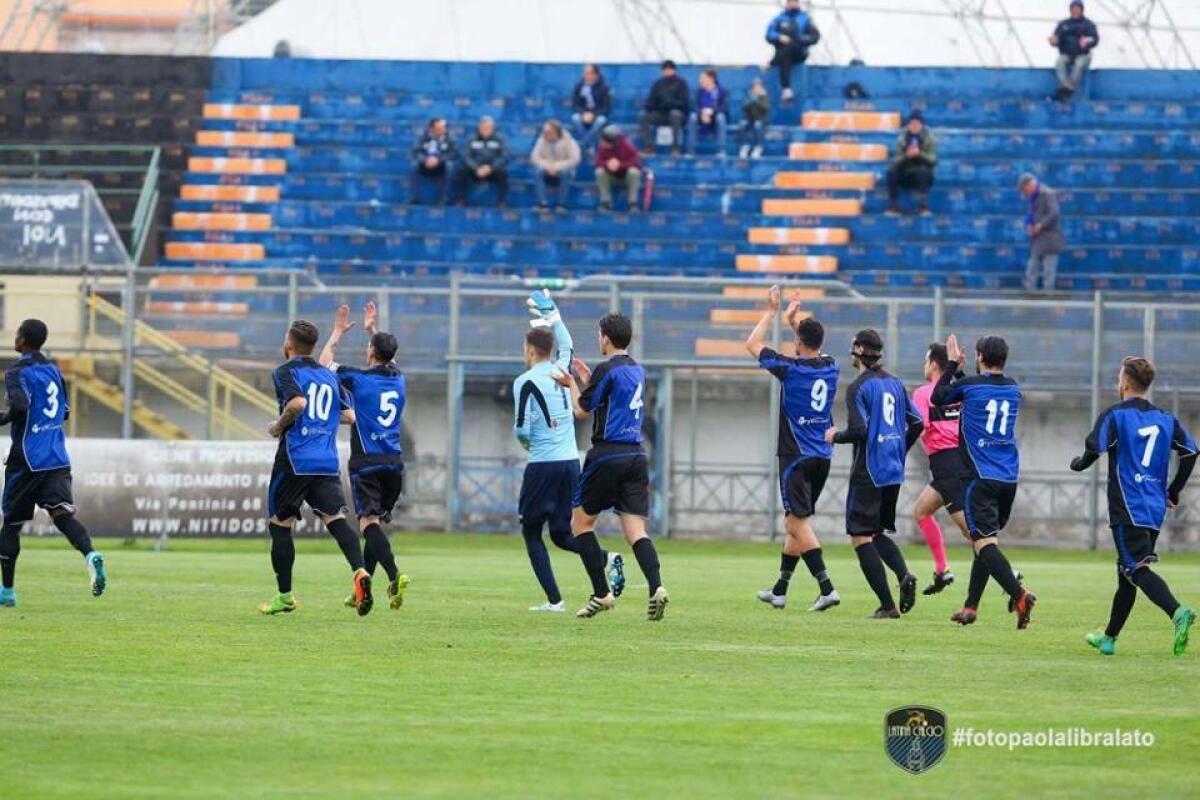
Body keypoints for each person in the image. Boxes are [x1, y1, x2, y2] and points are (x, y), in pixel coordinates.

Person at [1070, 357, 1196, 656]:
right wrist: (1174, 491)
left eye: (1118, 378)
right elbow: (1191, 451)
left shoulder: (1115, 415)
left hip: (1127, 505)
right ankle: (1109, 639)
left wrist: (1079, 464)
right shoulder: (1166, 418)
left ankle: (1177, 612)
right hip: (1154, 507)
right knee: (1125, 572)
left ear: (1125, 384)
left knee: (1135, 569)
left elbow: (1094, 446)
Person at [552, 313, 669, 621]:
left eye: (598, 334)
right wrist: (589, 382)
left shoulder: (608, 368)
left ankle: (601, 594)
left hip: (607, 454)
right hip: (636, 455)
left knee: (580, 525)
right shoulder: (637, 369)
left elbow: (581, 410)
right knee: (636, 532)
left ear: (605, 337)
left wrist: (571, 384)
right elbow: (613, 399)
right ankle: (656, 587)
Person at [515, 291, 624, 611]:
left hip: (542, 464)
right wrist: (555, 316)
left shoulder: (525, 381)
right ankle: (607, 558)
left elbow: (522, 429)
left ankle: (555, 601)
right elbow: (568, 344)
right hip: (570, 463)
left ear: (530, 350)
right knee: (563, 533)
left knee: (531, 532)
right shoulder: (561, 367)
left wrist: (529, 445)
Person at [259, 319, 373, 616]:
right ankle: (360, 571)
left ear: (289, 343)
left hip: (295, 459)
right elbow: (350, 416)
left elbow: (297, 404)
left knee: (280, 524)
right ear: (311, 346)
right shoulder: (328, 375)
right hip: (326, 460)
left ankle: (285, 596)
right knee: (336, 520)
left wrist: (277, 426)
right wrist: (322, 422)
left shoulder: (286, 371)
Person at [931, 334, 1035, 629]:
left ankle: (1020, 595)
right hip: (1008, 478)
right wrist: (962, 373)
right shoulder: (1013, 388)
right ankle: (971, 607)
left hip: (980, 477)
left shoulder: (969, 386)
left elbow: (939, 397)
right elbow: (978, 389)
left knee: (984, 543)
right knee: (984, 541)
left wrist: (952, 365)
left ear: (979, 357)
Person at [746, 286, 840, 612]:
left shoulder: (789, 368)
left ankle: (827, 588)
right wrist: (794, 321)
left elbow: (752, 344)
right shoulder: (831, 365)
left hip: (795, 456)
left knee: (796, 525)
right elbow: (810, 347)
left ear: (798, 342)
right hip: (822, 456)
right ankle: (780, 590)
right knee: (794, 522)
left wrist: (773, 312)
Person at [0, 319, 106, 607]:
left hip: (27, 459)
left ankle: (7, 592)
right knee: (62, 515)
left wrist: (5, 418)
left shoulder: (16, 372)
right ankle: (90, 554)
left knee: (11, 524)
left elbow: (20, 406)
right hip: (57, 457)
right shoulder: (54, 370)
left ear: (22, 340)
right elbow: (65, 411)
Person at [318, 302, 410, 611]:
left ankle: (394, 575)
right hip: (394, 463)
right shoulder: (399, 378)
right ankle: (362, 590)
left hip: (367, 462)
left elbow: (324, 363)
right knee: (375, 523)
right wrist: (373, 330)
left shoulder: (358, 378)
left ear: (371, 352)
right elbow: (390, 357)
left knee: (368, 523)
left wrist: (336, 333)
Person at [824, 329, 922, 619]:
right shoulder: (895, 383)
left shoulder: (858, 387)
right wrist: (899, 450)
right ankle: (904, 575)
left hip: (869, 470)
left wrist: (834, 436)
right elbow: (917, 423)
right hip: (892, 470)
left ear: (857, 350)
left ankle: (888, 606)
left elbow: (859, 431)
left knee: (860, 536)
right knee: (876, 532)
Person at [910, 343, 966, 595]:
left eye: (926, 361)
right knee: (922, 511)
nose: (924, 366)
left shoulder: (923, 393)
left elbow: (920, 426)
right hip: (960, 460)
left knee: (973, 532)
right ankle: (942, 570)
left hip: (946, 465)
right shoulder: (957, 391)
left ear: (933, 364)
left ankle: (1011, 576)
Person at [765, 0, 821, 103]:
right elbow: (769, 34)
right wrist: (779, 37)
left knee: (790, 45)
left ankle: (774, 62)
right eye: (790, 2)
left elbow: (815, 36)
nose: (793, 4)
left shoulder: (805, 18)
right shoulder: (779, 19)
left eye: (795, 2)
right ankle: (787, 89)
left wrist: (799, 39)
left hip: (799, 52)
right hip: (783, 54)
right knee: (784, 52)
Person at [885, 109, 936, 216]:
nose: (914, 126)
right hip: (905, 173)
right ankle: (893, 205)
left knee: (923, 171)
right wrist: (906, 156)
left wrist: (920, 154)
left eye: (917, 123)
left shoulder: (928, 137)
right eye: (912, 123)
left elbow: (933, 160)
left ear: (921, 125)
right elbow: (896, 160)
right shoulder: (902, 137)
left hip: (922, 174)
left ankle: (923, 206)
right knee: (891, 172)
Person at [1019, 173, 1064, 292]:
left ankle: (1048, 297)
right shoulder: (1032, 197)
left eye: (1024, 189)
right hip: (1038, 238)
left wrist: (1040, 225)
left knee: (1049, 272)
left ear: (1029, 185)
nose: (1024, 192)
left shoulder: (1048, 193)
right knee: (1031, 268)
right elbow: (1030, 214)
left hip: (1051, 239)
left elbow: (1054, 213)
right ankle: (1030, 294)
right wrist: (1029, 225)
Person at [1049, 1, 1099, 101]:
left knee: (1079, 64)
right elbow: (1056, 38)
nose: (1075, 10)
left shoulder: (1088, 24)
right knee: (1060, 62)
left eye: (1077, 8)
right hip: (1067, 54)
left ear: (1081, 9)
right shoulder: (1063, 24)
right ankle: (1064, 85)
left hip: (1083, 54)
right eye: (1073, 8)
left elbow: (1094, 39)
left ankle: (1069, 87)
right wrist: (1054, 41)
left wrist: (1087, 41)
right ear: (1070, 9)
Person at [637, 59, 689, 155]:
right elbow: (651, 100)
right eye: (665, 69)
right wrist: (648, 106)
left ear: (674, 70)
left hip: (677, 115)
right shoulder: (658, 84)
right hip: (661, 114)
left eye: (669, 69)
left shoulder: (681, 83)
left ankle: (675, 148)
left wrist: (670, 104)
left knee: (675, 114)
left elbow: (684, 102)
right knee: (643, 116)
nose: (667, 71)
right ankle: (649, 148)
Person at [456, 115, 509, 207]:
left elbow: (504, 156)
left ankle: (501, 201)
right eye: (484, 127)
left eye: (489, 127)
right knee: (462, 171)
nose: (486, 129)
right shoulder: (471, 139)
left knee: (503, 173)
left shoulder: (500, 139)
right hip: (475, 170)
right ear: (479, 128)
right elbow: (466, 156)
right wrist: (476, 168)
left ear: (493, 128)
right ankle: (462, 199)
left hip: (492, 170)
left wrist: (491, 168)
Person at [530, 119, 581, 211]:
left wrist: (556, 167)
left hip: (563, 170)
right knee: (538, 171)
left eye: (548, 132)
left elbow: (574, 159)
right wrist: (548, 166)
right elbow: (535, 157)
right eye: (544, 131)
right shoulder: (541, 140)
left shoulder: (569, 141)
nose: (545, 134)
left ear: (556, 133)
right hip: (547, 169)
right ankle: (543, 203)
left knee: (565, 172)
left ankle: (561, 204)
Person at [594, 124, 643, 212]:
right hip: (611, 176)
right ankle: (606, 203)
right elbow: (598, 162)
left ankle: (633, 204)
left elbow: (637, 163)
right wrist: (607, 164)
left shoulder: (627, 145)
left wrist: (620, 165)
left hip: (626, 176)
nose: (603, 143)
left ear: (613, 143)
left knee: (634, 172)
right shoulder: (601, 146)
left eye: (606, 142)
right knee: (599, 172)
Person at [409, 117, 456, 205]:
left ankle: (445, 198)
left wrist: (438, 160)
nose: (443, 130)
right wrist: (425, 159)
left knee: (450, 166)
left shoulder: (449, 139)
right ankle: (414, 198)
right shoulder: (423, 138)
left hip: (441, 166)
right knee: (414, 165)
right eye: (439, 128)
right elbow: (415, 152)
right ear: (432, 129)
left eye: (443, 127)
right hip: (425, 165)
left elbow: (452, 154)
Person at [570, 63, 612, 156]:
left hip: (598, 115)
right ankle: (588, 145)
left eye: (588, 73)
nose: (585, 75)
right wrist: (583, 113)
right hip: (583, 115)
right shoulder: (579, 86)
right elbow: (575, 105)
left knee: (601, 120)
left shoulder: (604, 87)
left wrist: (593, 115)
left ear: (595, 75)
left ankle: (583, 144)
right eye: (585, 73)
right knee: (575, 118)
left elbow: (607, 107)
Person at [687, 68, 729, 157]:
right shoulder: (698, 91)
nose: (700, 80)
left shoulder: (722, 91)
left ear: (711, 79)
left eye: (703, 78)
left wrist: (712, 111)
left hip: (714, 117)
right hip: (701, 117)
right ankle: (691, 150)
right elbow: (694, 106)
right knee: (692, 117)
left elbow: (724, 108)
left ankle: (721, 150)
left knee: (721, 118)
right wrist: (702, 112)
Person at [739, 77, 770, 159]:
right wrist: (751, 100)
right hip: (750, 119)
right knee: (742, 124)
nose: (756, 89)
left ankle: (758, 147)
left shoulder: (764, 97)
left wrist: (758, 101)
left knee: (758, 125)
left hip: (761, 120)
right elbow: (744, 108)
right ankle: (745, 146)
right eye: (755, 87)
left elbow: (766, 108)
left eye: (758, 87)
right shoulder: (749, 96)